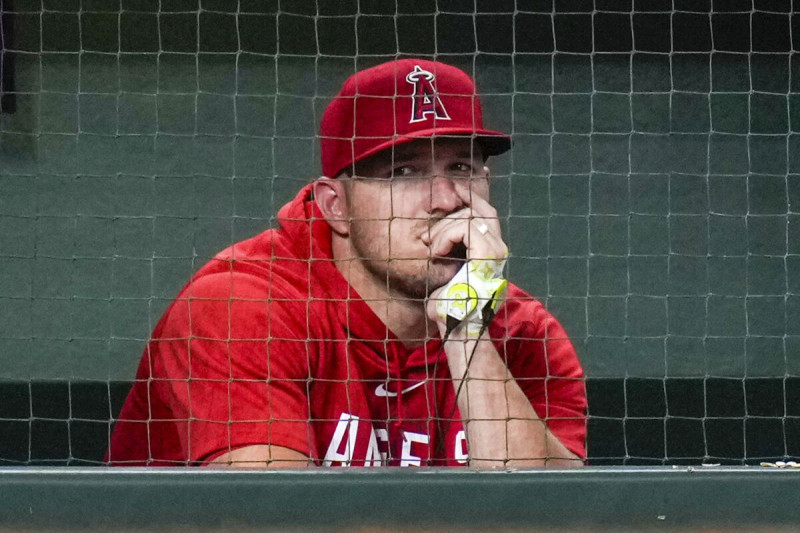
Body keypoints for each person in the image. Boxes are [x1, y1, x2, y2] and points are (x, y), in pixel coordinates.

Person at [106, 59, 587, 468]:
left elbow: (556, 517)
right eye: (404, 172)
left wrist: (465, 326)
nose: (445, 200)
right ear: (336, 205)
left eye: (461, 167)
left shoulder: (524, 334)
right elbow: (274, 519)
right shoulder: (241, 309)